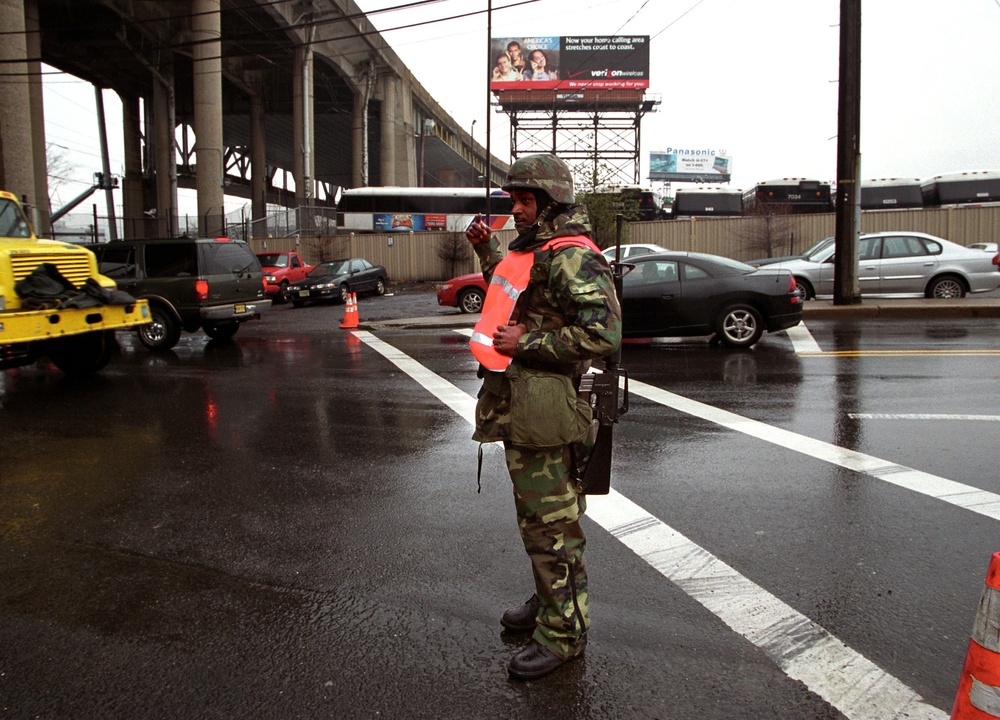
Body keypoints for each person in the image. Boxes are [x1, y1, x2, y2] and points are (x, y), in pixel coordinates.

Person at [465, 154, 622, 681]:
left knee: (553, 527)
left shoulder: (573, 255)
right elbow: (516, 298)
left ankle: (564, 634)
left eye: (525, 200)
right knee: (538, 523)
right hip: (524, 405)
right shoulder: (536, 251)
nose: (516, 208)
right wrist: (486, 249)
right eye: (514, 199)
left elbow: (603, 335)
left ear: (551, 202)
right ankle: (549, 601)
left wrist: (526, 342)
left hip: (546, 409)